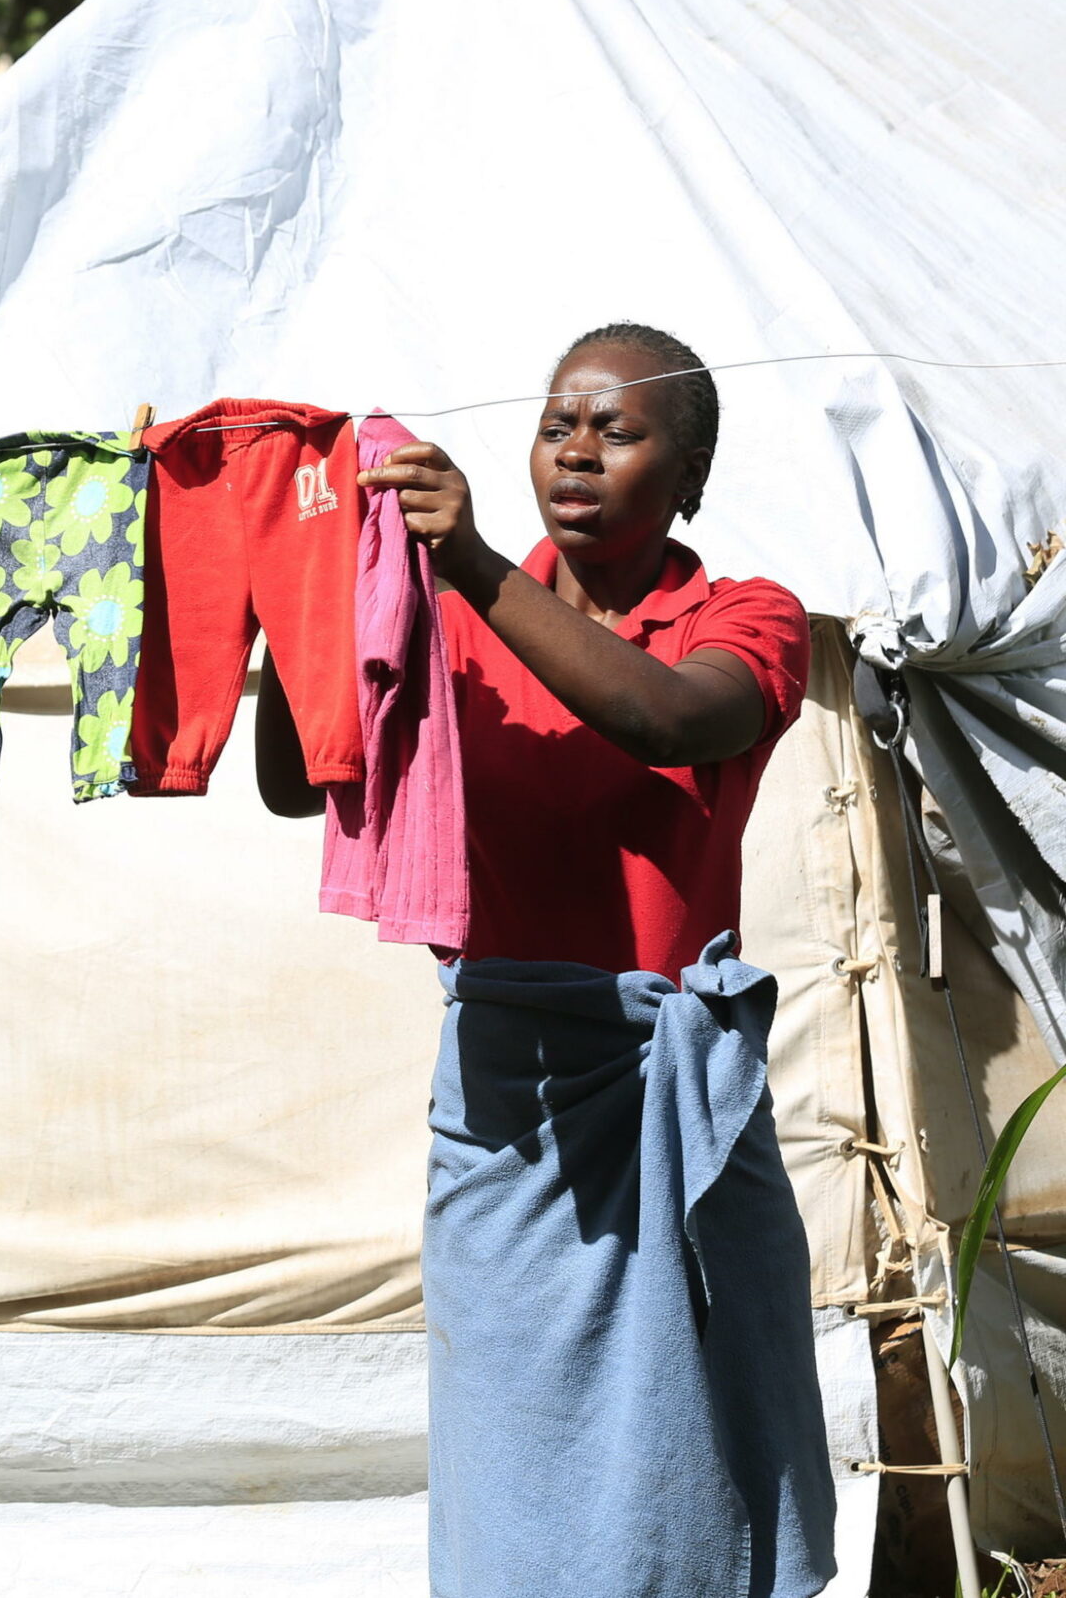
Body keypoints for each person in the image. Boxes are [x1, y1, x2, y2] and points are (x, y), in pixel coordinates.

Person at [256, 324, 837, 1598]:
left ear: (685, 475)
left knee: (711, 1463)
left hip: (675, 1104)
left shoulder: (746, 621)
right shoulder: (442, 618)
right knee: (513, 1475)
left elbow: (662, 717)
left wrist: (463, 565)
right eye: (557, 423)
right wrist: (299, 594)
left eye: (617, 430)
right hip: (507, 1110)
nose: (576, 450)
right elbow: (299, 780)